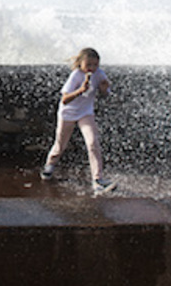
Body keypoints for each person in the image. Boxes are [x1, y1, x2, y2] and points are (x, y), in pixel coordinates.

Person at [41, 47, 116, 194]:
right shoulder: (75, 75)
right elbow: (64, 100)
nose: (92, 68)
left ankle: (98, 179)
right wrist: (80, 90)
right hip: (68, 114)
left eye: (95, 65)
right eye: (89, 65)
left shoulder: (99, 74)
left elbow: (105, 95)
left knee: (93, 142)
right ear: (81, 63)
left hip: (85, 113)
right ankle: (50, 165)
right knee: (60, 145)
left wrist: (104, 89)